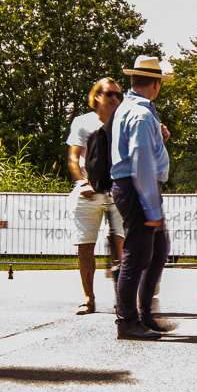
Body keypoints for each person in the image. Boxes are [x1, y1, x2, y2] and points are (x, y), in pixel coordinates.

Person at [111, 56, 172, 341]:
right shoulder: (143, 115)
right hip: (138, 189)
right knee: (137, 255)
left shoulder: (131, 109)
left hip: (129, 186)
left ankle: (143, 314)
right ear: (157, 84)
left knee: (157, 250)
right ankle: (127, 321)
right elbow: (142, 165)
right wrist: (152, 208)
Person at [66, 78, 124, 315]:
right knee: (85, 245)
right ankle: (88, 299)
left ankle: (123, 299)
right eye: (110, 94)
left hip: (118, 190)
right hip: (89, 191)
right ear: (97, 96)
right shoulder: (83, 122)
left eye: (119, 95)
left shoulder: (124, 121)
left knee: (120, 243)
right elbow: (73, 157)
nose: (115, 99)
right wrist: (81, 182)